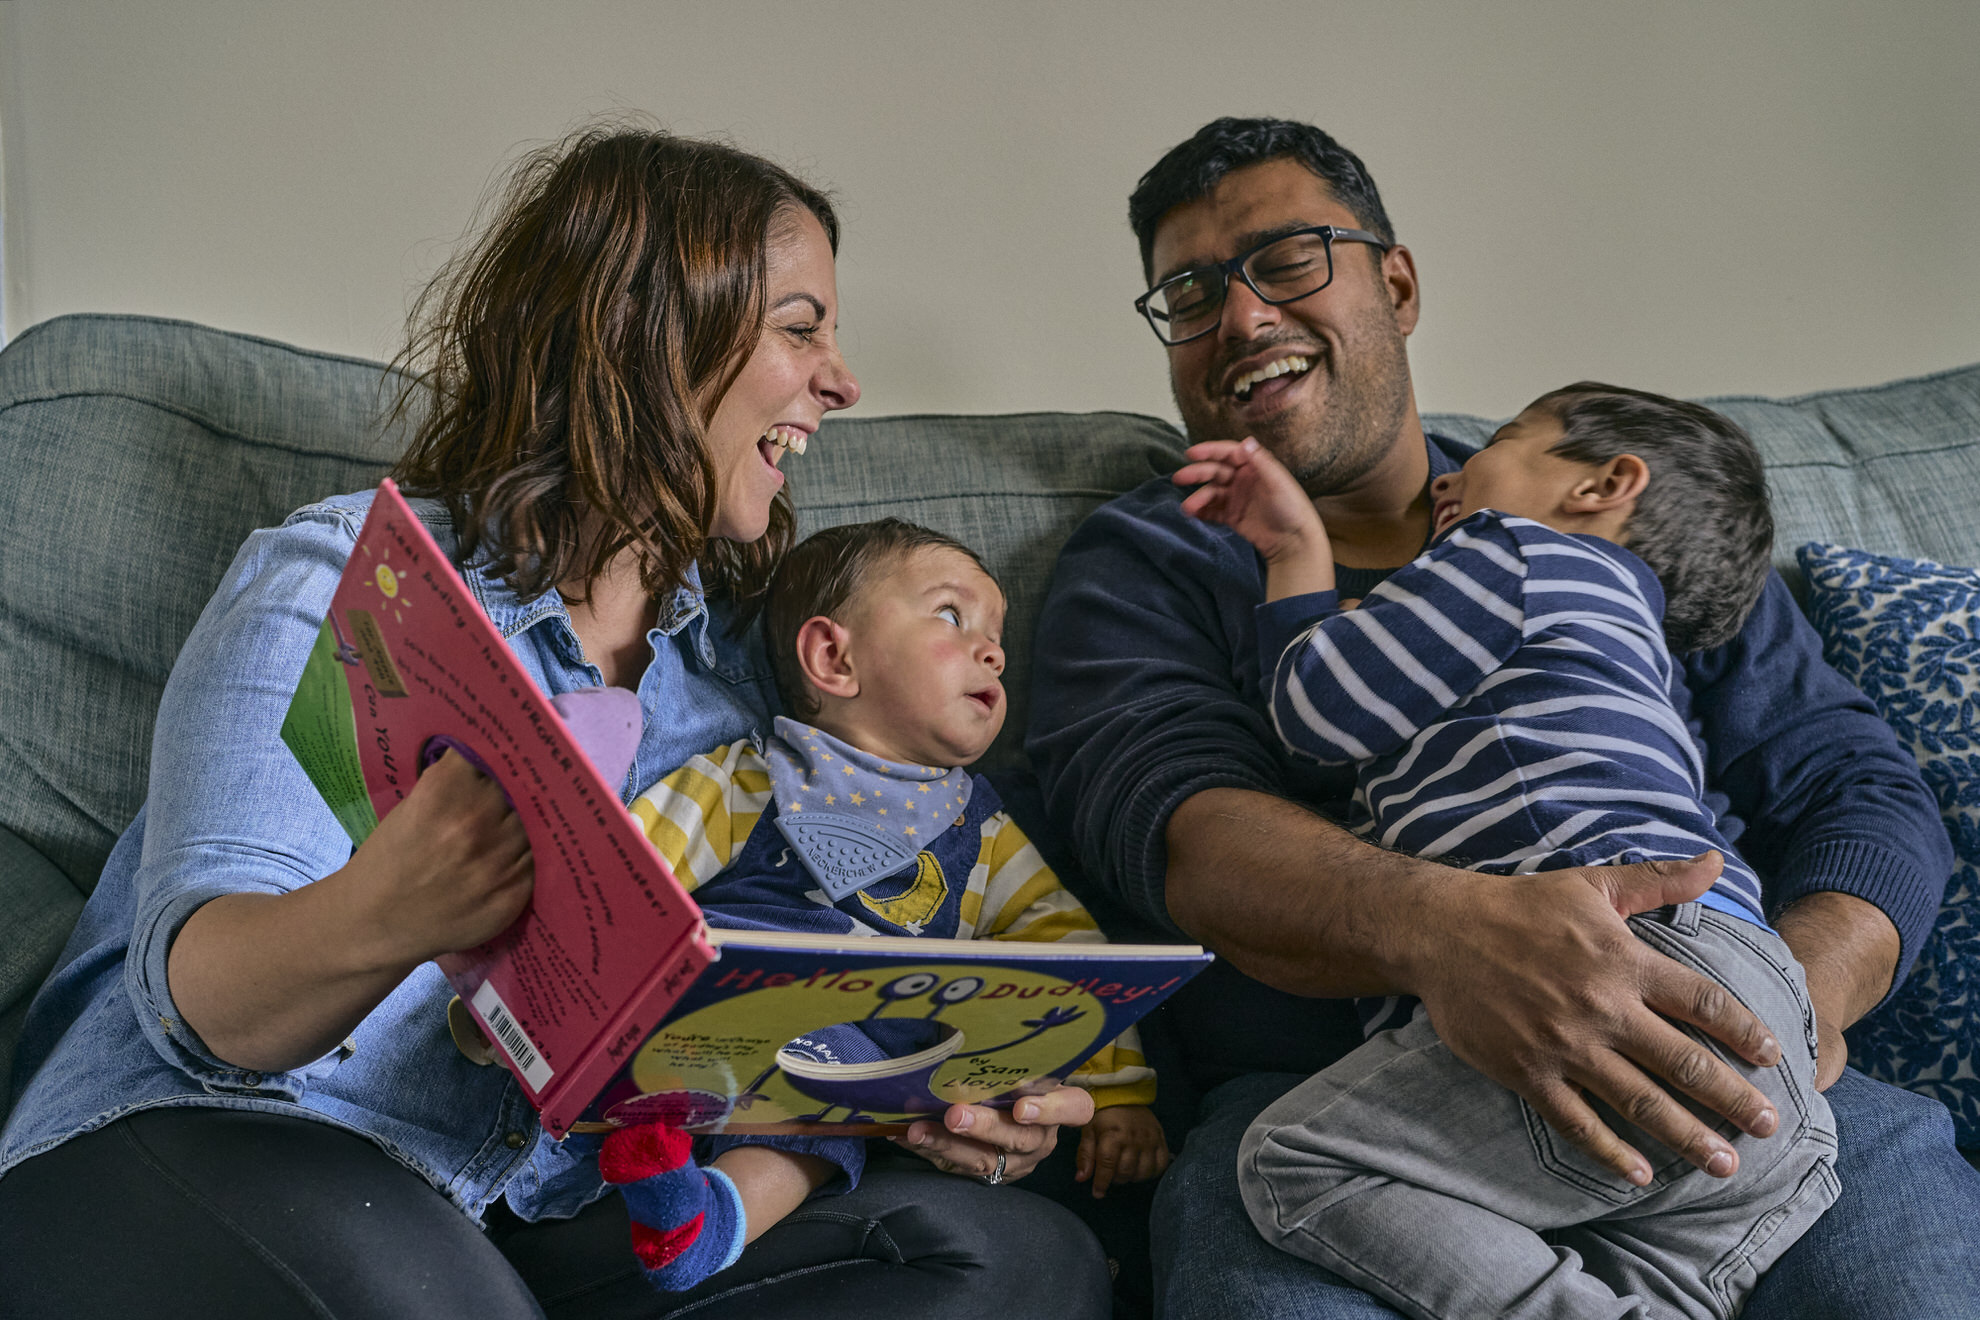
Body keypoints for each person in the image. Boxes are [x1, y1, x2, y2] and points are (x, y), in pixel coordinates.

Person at [0, 126, 1109, 1320]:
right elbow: (206, 1010)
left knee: (1013, 1259)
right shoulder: (351, 581)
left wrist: (925, 1093)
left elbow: (750, 1014)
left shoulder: (747, 696)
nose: (841, 381)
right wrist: (396, 909)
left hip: (529, 1210)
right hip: (229, 1132)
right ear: (650, 335)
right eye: (801, 329)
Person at [1025, 115, 1980, 1318]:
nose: (1244, 316)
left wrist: (1781, 1004)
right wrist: (1454, 932)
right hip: (1351, 1089)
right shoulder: (1149, 560)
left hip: (1727, 1043)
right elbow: (1183, 834)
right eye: (1192, 293)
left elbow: (1858, 788)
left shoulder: (1606, 516)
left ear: (1397, 284)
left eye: (1288, 260)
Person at [1177, 385, 1834, 1316]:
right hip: (1768, 1013)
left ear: (1604, 484)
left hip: (1623, 966)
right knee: (1651, 1291)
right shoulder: (1631, 647)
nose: (1449, 478)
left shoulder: (1513, 550)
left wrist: (1296, 556)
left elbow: (1320, 709)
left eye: (1500, 442)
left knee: (1298, 1158)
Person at [604, 517, 1171, 1291]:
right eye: (952, 615)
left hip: (853, 1075)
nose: (994, 651)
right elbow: (627, 871)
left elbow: (1067, 957)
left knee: (830, 1129)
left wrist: (1118, 1095)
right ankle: (667, 1164)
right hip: (715, 1016)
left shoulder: (985, 833)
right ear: (833, 658)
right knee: (808, 1103)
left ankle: (698, 1224)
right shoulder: (752, 776)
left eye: (997, 634)